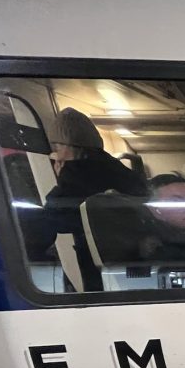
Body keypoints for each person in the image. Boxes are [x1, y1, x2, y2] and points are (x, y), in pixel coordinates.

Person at [38, 108, 147, 288]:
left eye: (57, 148)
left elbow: (57, 219)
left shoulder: (75, 172)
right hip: (136, 255)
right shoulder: (119, 169)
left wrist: (60, 181)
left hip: (99, 257)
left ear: (66, 147)